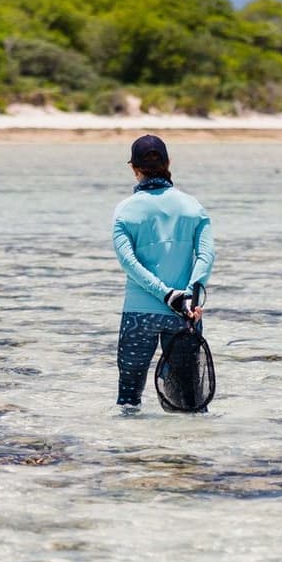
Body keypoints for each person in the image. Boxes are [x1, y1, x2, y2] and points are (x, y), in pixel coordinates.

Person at [110, 134, 214, 410]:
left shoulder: (124, 211)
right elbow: (206, 257)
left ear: (134, 168)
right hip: (184, 314)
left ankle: (127, 439)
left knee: (128, 401)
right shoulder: (194, 207)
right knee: (190, 401)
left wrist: (167, 295)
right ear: (168, 162)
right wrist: (188, 297)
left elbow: (129, 263)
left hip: (138, 315)